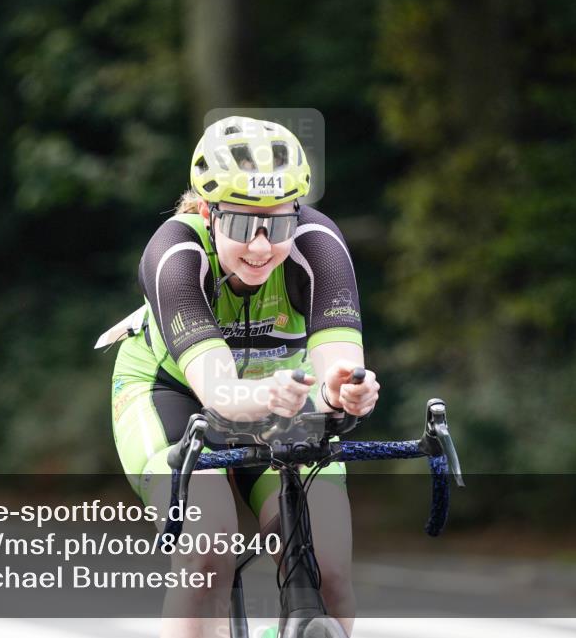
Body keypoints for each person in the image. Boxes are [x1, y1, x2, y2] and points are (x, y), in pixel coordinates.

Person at [103, 116, 379, 637]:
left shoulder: (319, 244)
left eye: (278, 226)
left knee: (329, 571)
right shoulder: (174, 253)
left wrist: (343, 391)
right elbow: (220, 394)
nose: (260, 247)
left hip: (282, 393)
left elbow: (338, 366)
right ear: (208, 213)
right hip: (172, 394)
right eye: (241, 225)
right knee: (207, 552)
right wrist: (274, 396)